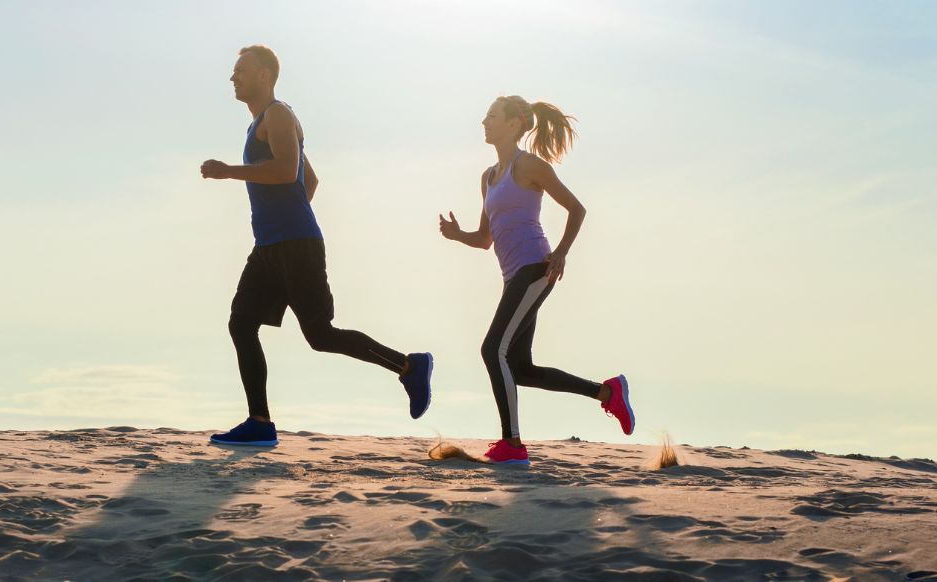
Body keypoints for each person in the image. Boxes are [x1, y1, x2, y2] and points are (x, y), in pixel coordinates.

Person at [201, 45, 433, 447]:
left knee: (321, 335)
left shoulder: (278, 114)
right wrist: (282, 213)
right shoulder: (260, 122)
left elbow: (288, 170)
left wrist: (228, 173)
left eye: (241, 70)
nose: (232, 77)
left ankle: (410, 366)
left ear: (265, 75)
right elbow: (309, 182)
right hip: (271, 246)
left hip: (296, 245)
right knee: (241, 323)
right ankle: (259, 422)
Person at [438, 95, 634, 464]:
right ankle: (608, 394)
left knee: (491, 349)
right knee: (521, 367)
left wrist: (560, 252)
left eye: (492, 116)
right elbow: (485, 239)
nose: (484, 121)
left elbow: (577, 209)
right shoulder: (489, 177)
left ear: (513, 124)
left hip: (535, 268)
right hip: (512, 274)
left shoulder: (530, 166)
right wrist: (457, 233)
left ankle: (512, 444)